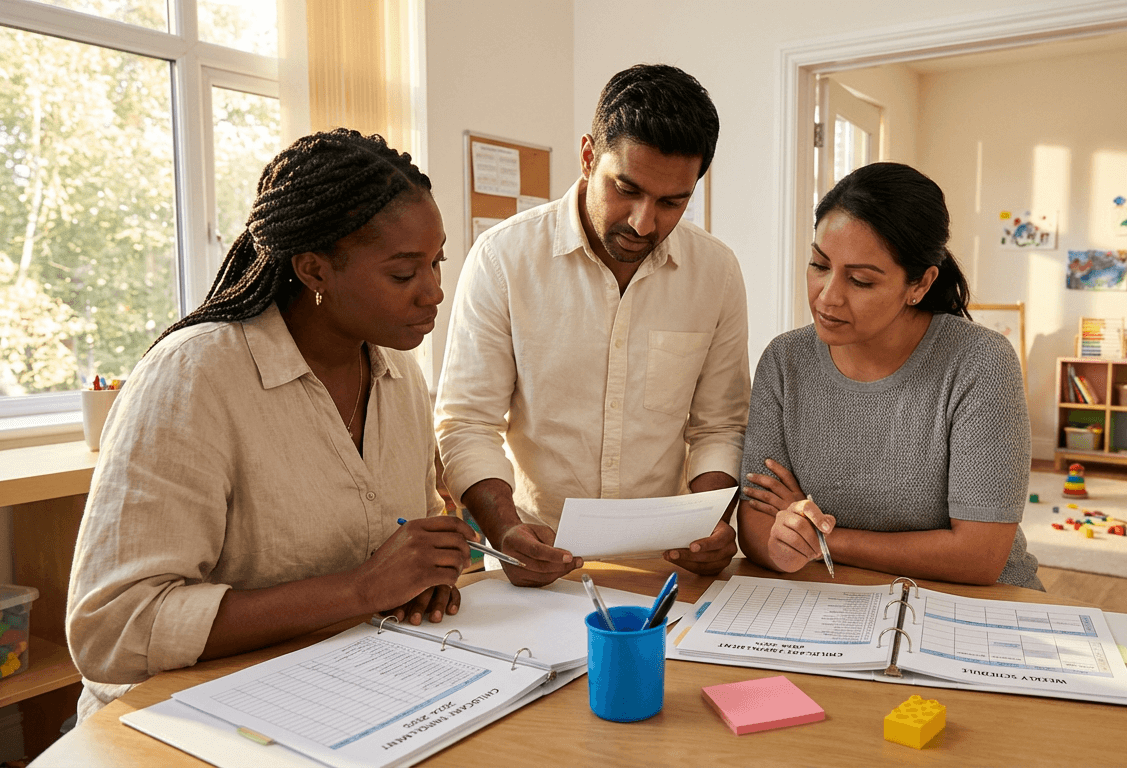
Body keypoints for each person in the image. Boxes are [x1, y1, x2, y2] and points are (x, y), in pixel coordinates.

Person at [66, 129, 475, 722]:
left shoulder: (398, 374)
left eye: (437, 262)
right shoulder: (195, 376)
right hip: (176, 721)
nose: (435, 292)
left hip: (342, 695)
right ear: (314, 271)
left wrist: (421, 574)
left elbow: (389, 550)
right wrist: (362, 589)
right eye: (403, 274)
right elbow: (112, 629)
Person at [436, 64, 750, 587]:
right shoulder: (504, 259)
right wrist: (506, 531)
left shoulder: (715, 272)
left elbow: (719, 425)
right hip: (534, 559)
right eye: (626, 188)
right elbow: (467, 423)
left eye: (673, 202)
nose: (643, 222)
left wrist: (713, 522)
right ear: (587, 156)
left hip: (665, 565)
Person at [737, 162, 1040, 589]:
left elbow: (979, 556)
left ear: (919, 284)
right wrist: (782, 542)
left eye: (860, 281)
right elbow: (756, 521)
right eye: (819, 264)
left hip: (976, 605)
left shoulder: (980, 363)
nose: (828, 297)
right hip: (829, 600)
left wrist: (824, 539)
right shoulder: (785, 360)